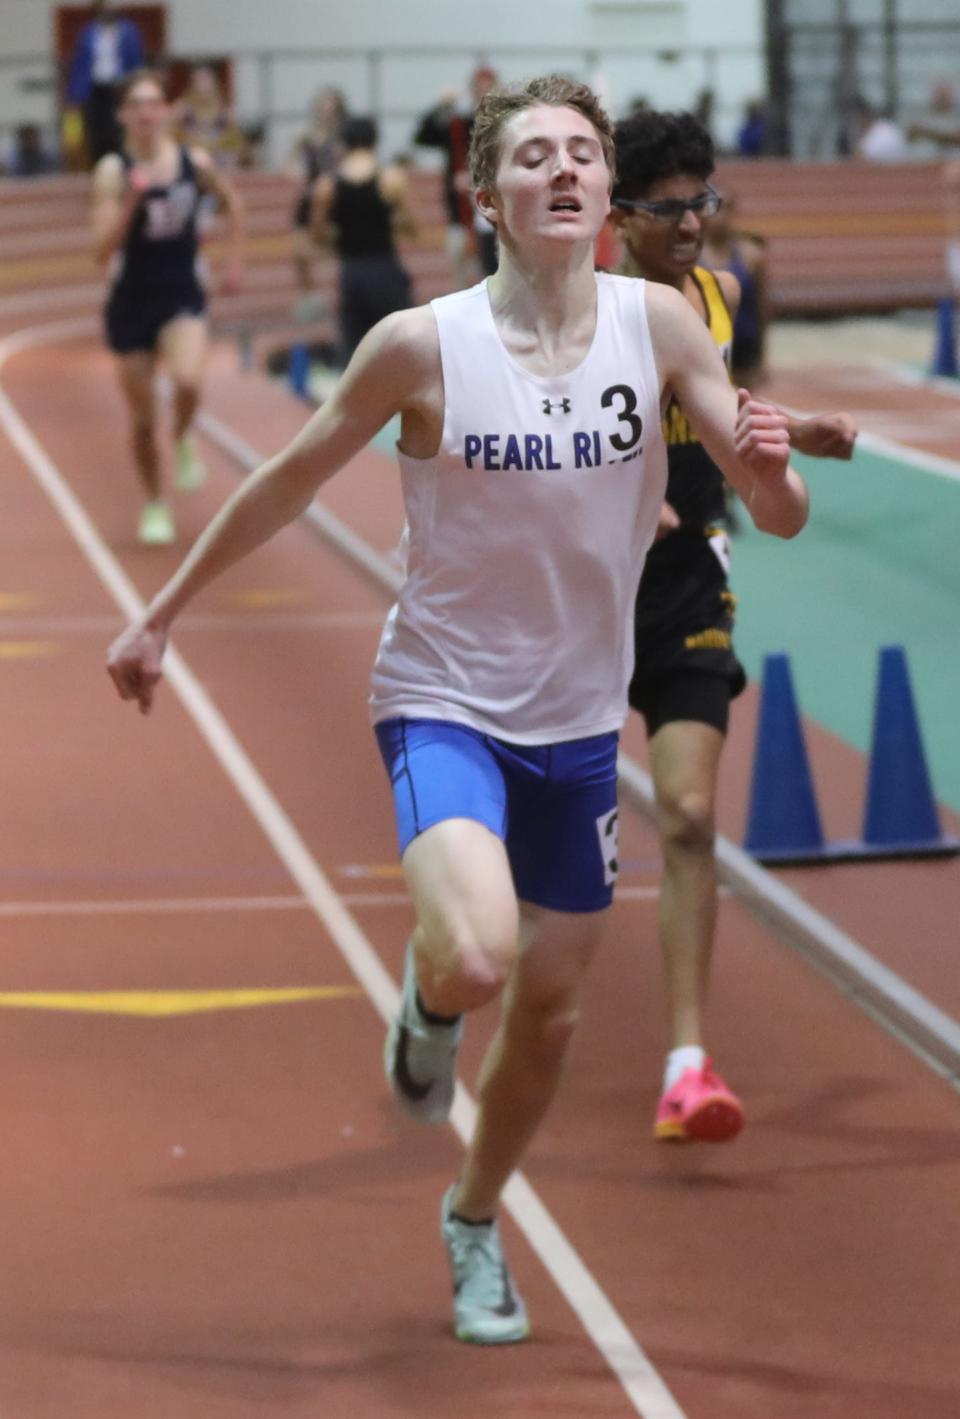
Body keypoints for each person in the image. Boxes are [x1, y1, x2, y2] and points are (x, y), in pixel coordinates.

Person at [107, 75, 810, 1345]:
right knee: (481, 954)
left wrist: (771, 468)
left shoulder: (659, 327)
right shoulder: (423, 346)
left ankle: (473, 1219)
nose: (563, 170)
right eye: (533, 154)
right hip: (442, 699)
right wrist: (162, 612)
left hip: (579, 726)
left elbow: (776, 508)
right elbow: (287, 479)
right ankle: (432, 1005)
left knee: (550, 1009)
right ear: (486, 195)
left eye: (582, 154)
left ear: (604, 191)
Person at [609, 107, 856, 1144]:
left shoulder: (720, 293)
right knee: (537, 866)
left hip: (686, 580)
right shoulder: (582, 309)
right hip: (576, 584)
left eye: (702, 202)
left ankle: (687, 1065)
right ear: (619, 217)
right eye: (668, 208)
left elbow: (711, 399)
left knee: (691, 815)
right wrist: (620, 495)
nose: (691, 225)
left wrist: (789, 433)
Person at [92, 68, 244, 546]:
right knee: (140, 419)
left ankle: (181, 436)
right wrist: (131, 201)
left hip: (180, 287)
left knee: (187, 380)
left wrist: (233, 262)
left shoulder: (191, 161)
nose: (145, 112)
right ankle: (156, 502)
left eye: (153, 102)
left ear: (165, 111)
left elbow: (232, 203)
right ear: (123, 114)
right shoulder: (112, 171)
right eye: (135, 104)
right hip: (131, 296)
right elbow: (100, 251)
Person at [310, 115, 416, 368]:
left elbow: (318, 235)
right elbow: (412, 227)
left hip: (352, 270)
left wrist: (341, 240)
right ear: (375, 142)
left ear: (344, 143)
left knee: (355, 352)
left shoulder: (327, 185)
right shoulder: (392, 179)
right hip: (385, 266)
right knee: (400, 345)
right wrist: (389, 223)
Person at [413, 65, 499, 286]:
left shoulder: (505, 124)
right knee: (461, 265)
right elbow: (422, 137)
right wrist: (441, 106)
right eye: (480, 89)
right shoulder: (458, 124)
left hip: (495, 208)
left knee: (493, 269)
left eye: (489, 89)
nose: (484, 95)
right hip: (460, 211)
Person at [285, 87, 347, 311]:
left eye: (331, 110)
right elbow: (290, 164)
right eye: (322, 108)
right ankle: (310, 295)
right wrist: (296, 175)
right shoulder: (306, 135)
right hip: (311, 197)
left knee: (340, 247)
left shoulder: (344, 137)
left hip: (337, 199)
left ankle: (346, 293)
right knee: (299, 249)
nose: (326, 114)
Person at [700, 192, 769, 388]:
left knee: (745, 401)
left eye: (726, 210)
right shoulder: (692, 254)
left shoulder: (751, 255)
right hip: (709, 340)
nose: (721, 217)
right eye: (715, 210)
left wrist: (762, 356)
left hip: (744, 340)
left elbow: (762, 305)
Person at [67, 0, 145, 164]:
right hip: (95, 89)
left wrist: (137, 86)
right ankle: (100, 167)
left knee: (119, 130)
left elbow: (136, 61)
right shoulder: (89, 31)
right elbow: (80, 64)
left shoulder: (128, 30)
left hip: (120, 88)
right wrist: (74, 94)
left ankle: (124, 165)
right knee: (97, 131)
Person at [172, 63, 248, 171]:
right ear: (192, 85)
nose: (203, 86)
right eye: (199, 81)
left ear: (214, 84)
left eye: (206, 81)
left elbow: (238, 144)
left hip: (220, 162)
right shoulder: (182, 109)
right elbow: (169, 137)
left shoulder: (225, 112)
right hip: (191, 161)